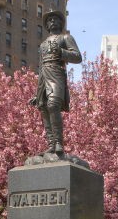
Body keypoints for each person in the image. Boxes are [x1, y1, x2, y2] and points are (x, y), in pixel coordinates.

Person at [30, 10, 82, 157]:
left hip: (57, 72)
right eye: (49, 20)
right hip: (44, 75)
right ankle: (51, 144)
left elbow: (77, 57)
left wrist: (61, 51)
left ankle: (59, 142)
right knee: (43, 107)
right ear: (46, 25)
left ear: (61, 23)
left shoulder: (66, 37)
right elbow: (40, 67)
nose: (52, 21)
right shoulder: (43, 44)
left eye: (55, 19)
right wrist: (37, 92)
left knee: (53, 105)